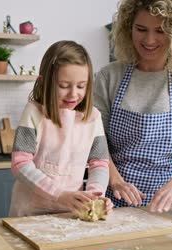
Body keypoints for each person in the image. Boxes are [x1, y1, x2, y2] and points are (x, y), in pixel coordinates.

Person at [94, 0, 172, 212]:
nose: (149, 40)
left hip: (160, 203)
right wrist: (115, 180)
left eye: (161, 31)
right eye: (141, 29)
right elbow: (94, 137)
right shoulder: (109, 76)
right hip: (106, 197)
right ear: (128, 27)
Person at [9, 40, 113, 217]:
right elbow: (20, 163)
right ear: (44, 83)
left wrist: (95, 194)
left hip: (70, 212)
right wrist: (60, 195)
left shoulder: (93, 118)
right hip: (30, 213)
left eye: (81, 86)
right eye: (64, 86)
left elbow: (100, 163)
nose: (74, 94)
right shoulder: (34, 113)